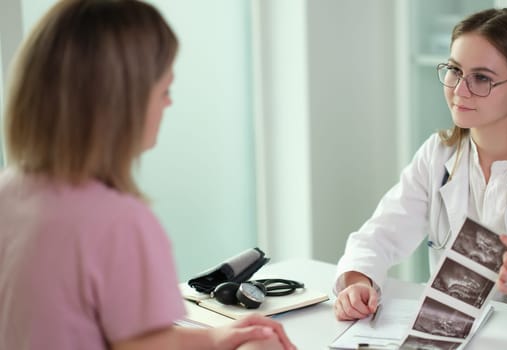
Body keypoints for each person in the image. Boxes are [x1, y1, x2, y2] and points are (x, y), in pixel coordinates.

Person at [0, 1, 295, 349]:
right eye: (164, 91)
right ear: (121, 106)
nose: (168, 104)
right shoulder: (118, 222)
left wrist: (215, 337)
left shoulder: (9, 192)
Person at [333, 8, 507, 327]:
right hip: (452, 335)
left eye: (481, 78)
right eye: (455, 70)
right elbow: (379, 235)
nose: (459, 90)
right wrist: (357, 281)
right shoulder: (438, 155)